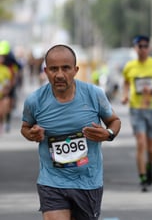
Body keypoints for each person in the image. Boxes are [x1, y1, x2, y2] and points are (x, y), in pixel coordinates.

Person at [20, 44, 121, 220]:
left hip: (88, 181)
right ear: (45, 71)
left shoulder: (94, 94)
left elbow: (114, 121)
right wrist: (31, 134)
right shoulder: (35, 101)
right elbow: (25, 127)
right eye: (53, 69)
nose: (59, 74)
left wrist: (109, 134)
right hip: (51, 181)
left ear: (75, 70)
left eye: (65, 68)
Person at [121, 35, 152, 192]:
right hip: (137, 109)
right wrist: (125, 95)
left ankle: (149, 166)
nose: (142, 49)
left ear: (149, 48)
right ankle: (142, 176)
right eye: (139, 46)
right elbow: (126, 82)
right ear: (135, 48)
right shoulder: (129, 66)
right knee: (141, 143)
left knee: (151, 148)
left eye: (145, 46)